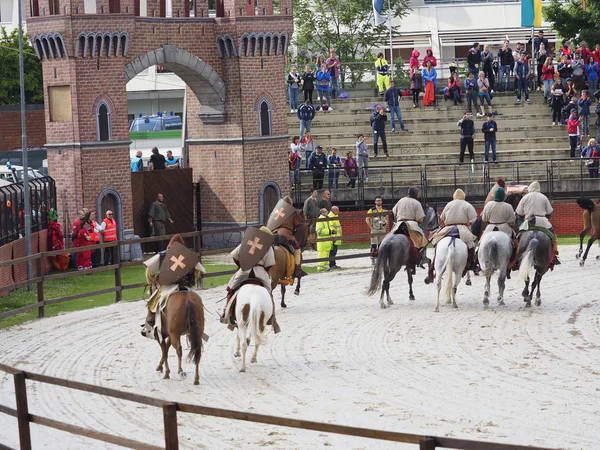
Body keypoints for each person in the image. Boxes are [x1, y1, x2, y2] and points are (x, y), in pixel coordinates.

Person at [221, 227, 279, 332]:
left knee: (231, 289)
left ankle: (226, 311)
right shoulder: (268, 247)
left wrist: (242, 265)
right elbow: (269, 264)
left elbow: (235, 256)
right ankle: (271, 316)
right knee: (268, 292)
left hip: (244, 271)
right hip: (260, 273)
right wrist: (263, 270)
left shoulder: (247, 241)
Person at [426, 189, 478, 283]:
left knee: (436, 243)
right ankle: (472, 264)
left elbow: (442, 217)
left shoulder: (449, 204)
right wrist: (468, 223)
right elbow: (474, 218)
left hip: (448, 229)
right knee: (471, 244)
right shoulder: (467, 205)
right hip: (462, 228)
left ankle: (433, 265)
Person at [515, 180, 560, 265]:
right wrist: (546, 219)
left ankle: (517, 255)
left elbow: (519, 213)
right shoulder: (543, 197)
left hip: (528, 222)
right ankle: (554, 255)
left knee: (517, 238)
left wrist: (524, 219)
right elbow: (549, 212)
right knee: (553, 236)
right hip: (542, 221)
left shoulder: (525, 197)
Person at [391, 187, 428, 271]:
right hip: (411, 225)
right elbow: (420, 219)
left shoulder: (400, 200)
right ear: (415, 194)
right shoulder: (416, 203)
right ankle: (418, 258)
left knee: (388, 236)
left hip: (399, 224)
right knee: (422, 240)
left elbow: (393, 212)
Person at [272, 196, 304, 277]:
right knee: (297, 251)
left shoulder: (277, 210)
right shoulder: (293, 211)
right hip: (286, 235)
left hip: (274, 234)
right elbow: (298, 224)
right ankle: (297, 270)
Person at [366, 196, 388, 264]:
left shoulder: (384, 210)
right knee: (374, 244)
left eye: (380, 200)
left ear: (381, 202)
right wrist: (371, 228)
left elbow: (387, 219)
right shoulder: (371, 210)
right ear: (375, 202)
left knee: (382, 244)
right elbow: (367, 219)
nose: (379, 202)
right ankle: (373, 258)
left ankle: (381, 258)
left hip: (382, 229)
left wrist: (385, 226)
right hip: (375, 229)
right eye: (377, 200)